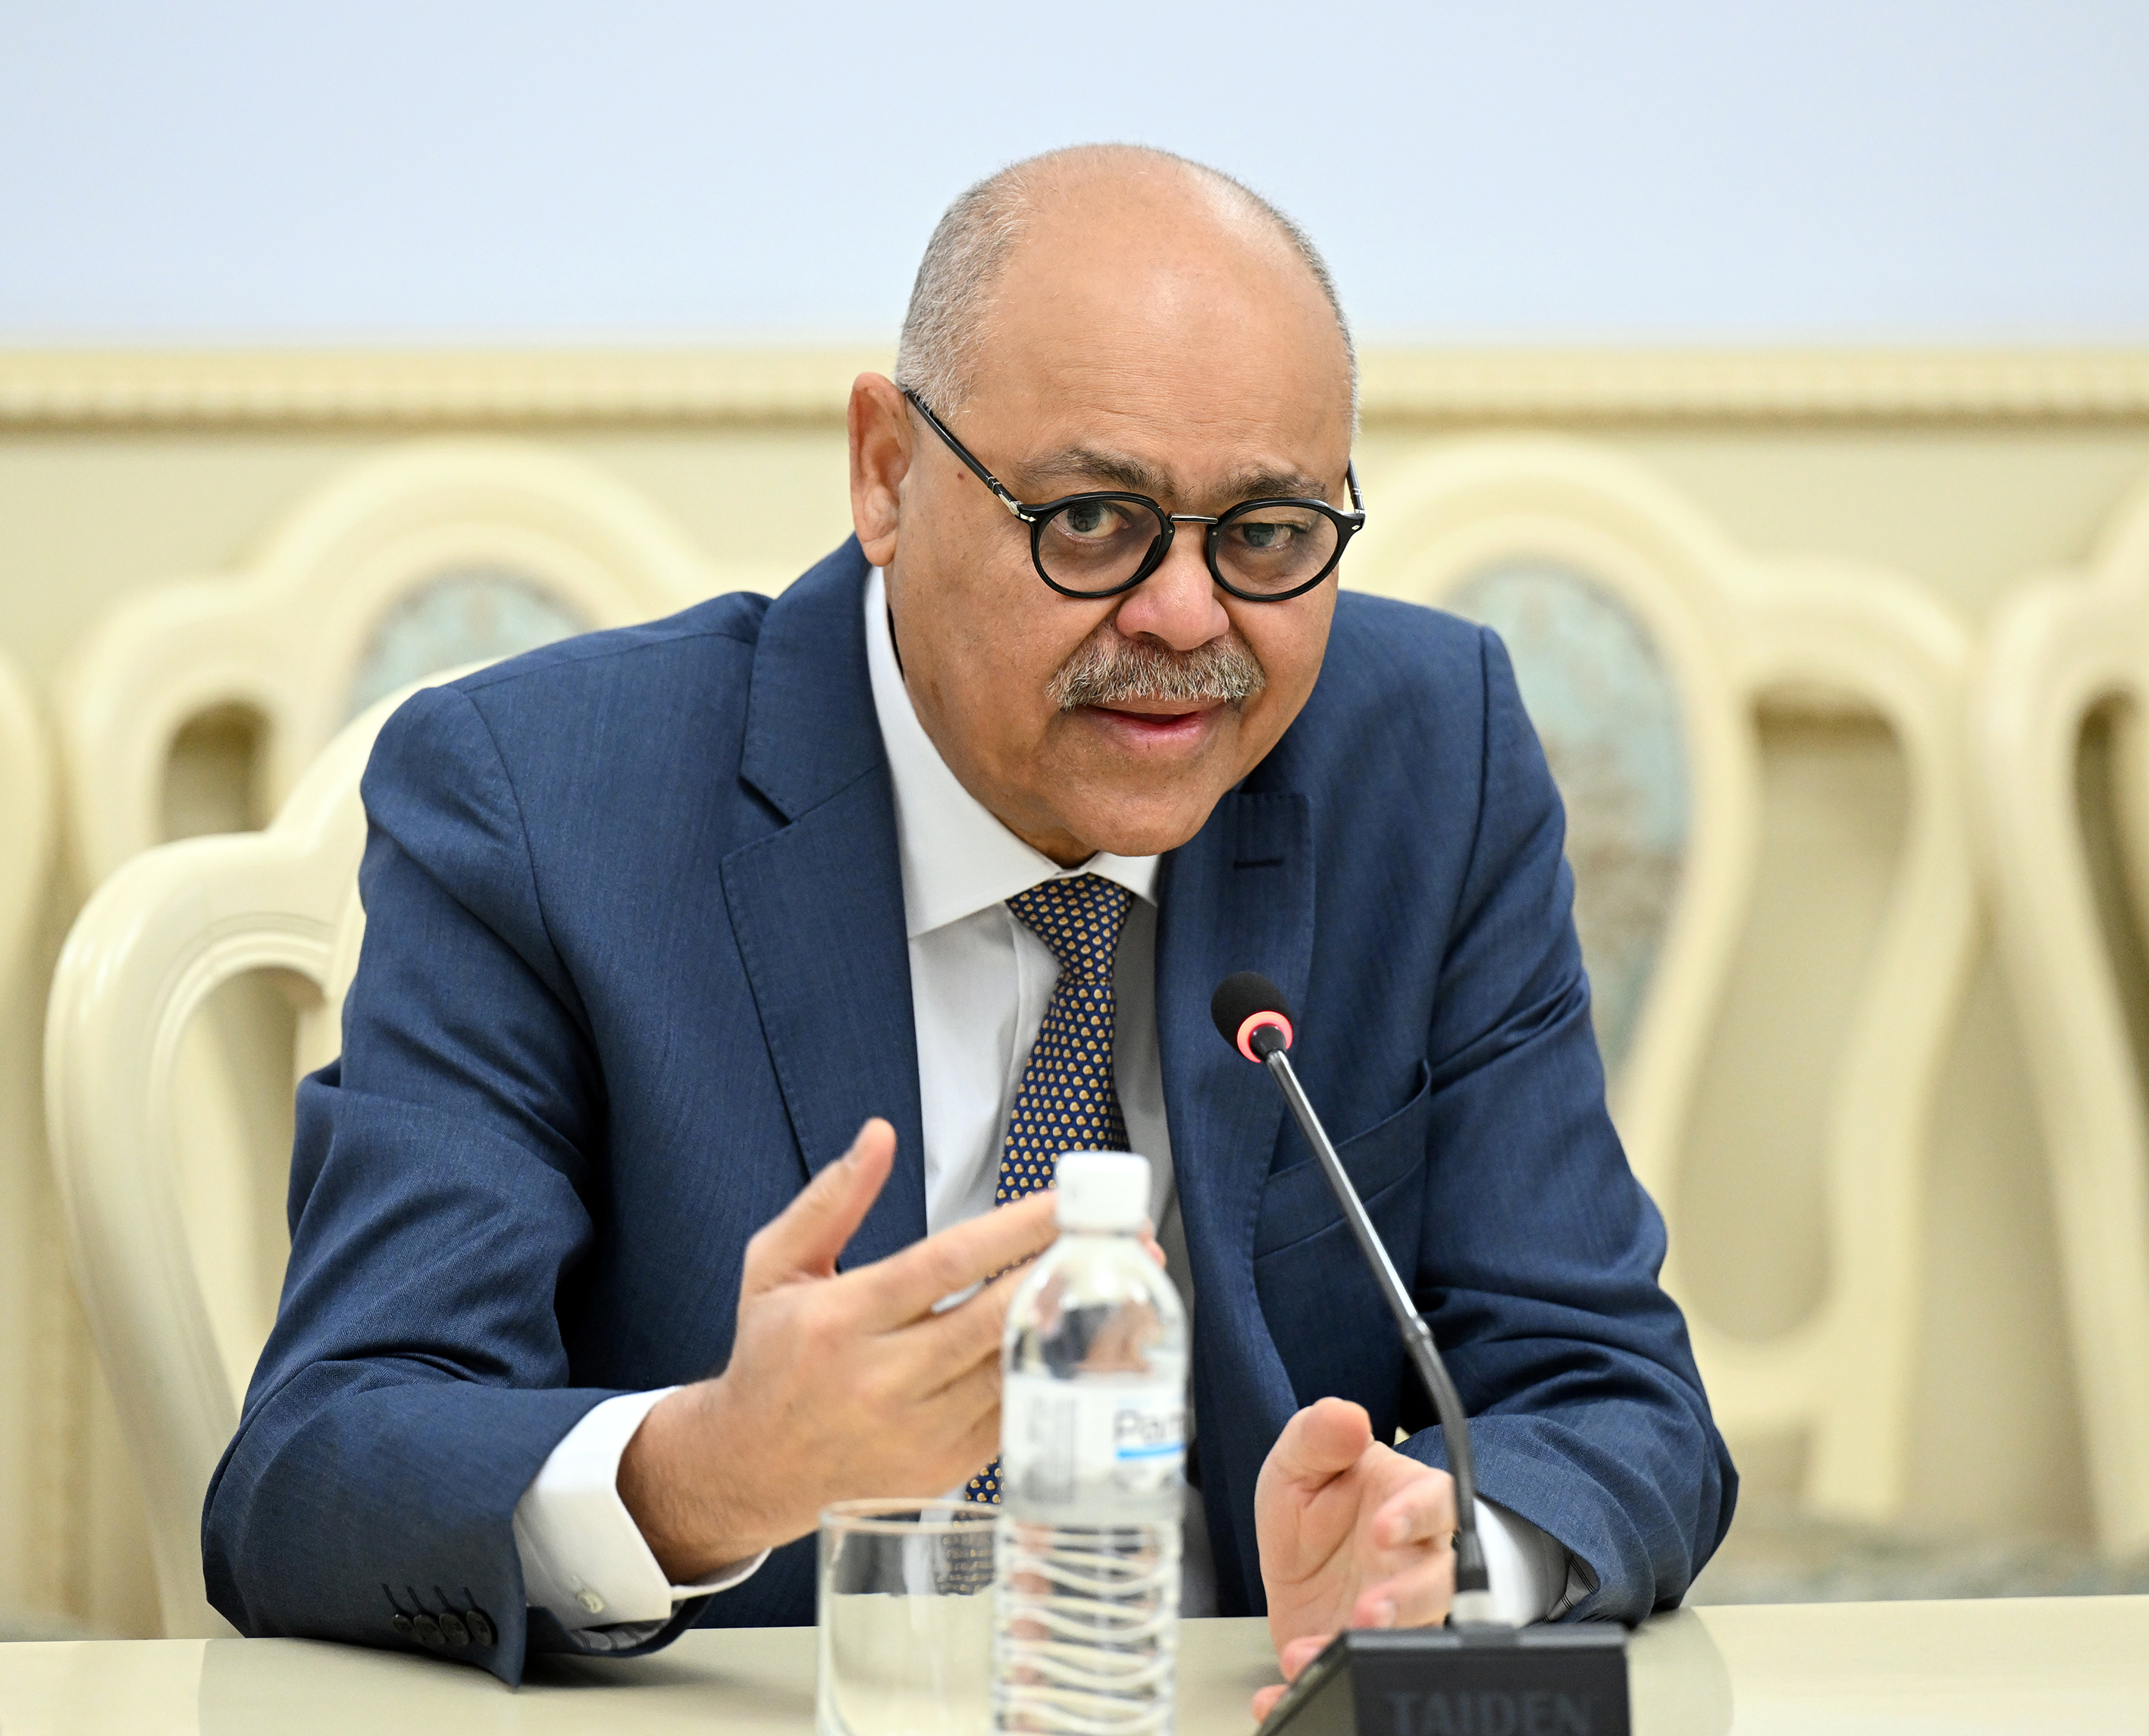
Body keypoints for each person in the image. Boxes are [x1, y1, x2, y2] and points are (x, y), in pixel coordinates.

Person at [203, 145, 1734, 1698]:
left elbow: (1610, 1390)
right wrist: (704, 1468)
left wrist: (1442, 1549)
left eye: (1268, 533)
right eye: (1092, 519)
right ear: (886, 472)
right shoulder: (545, 800)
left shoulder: (1429, 756)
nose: (1184, 616)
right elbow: (319, 1461)